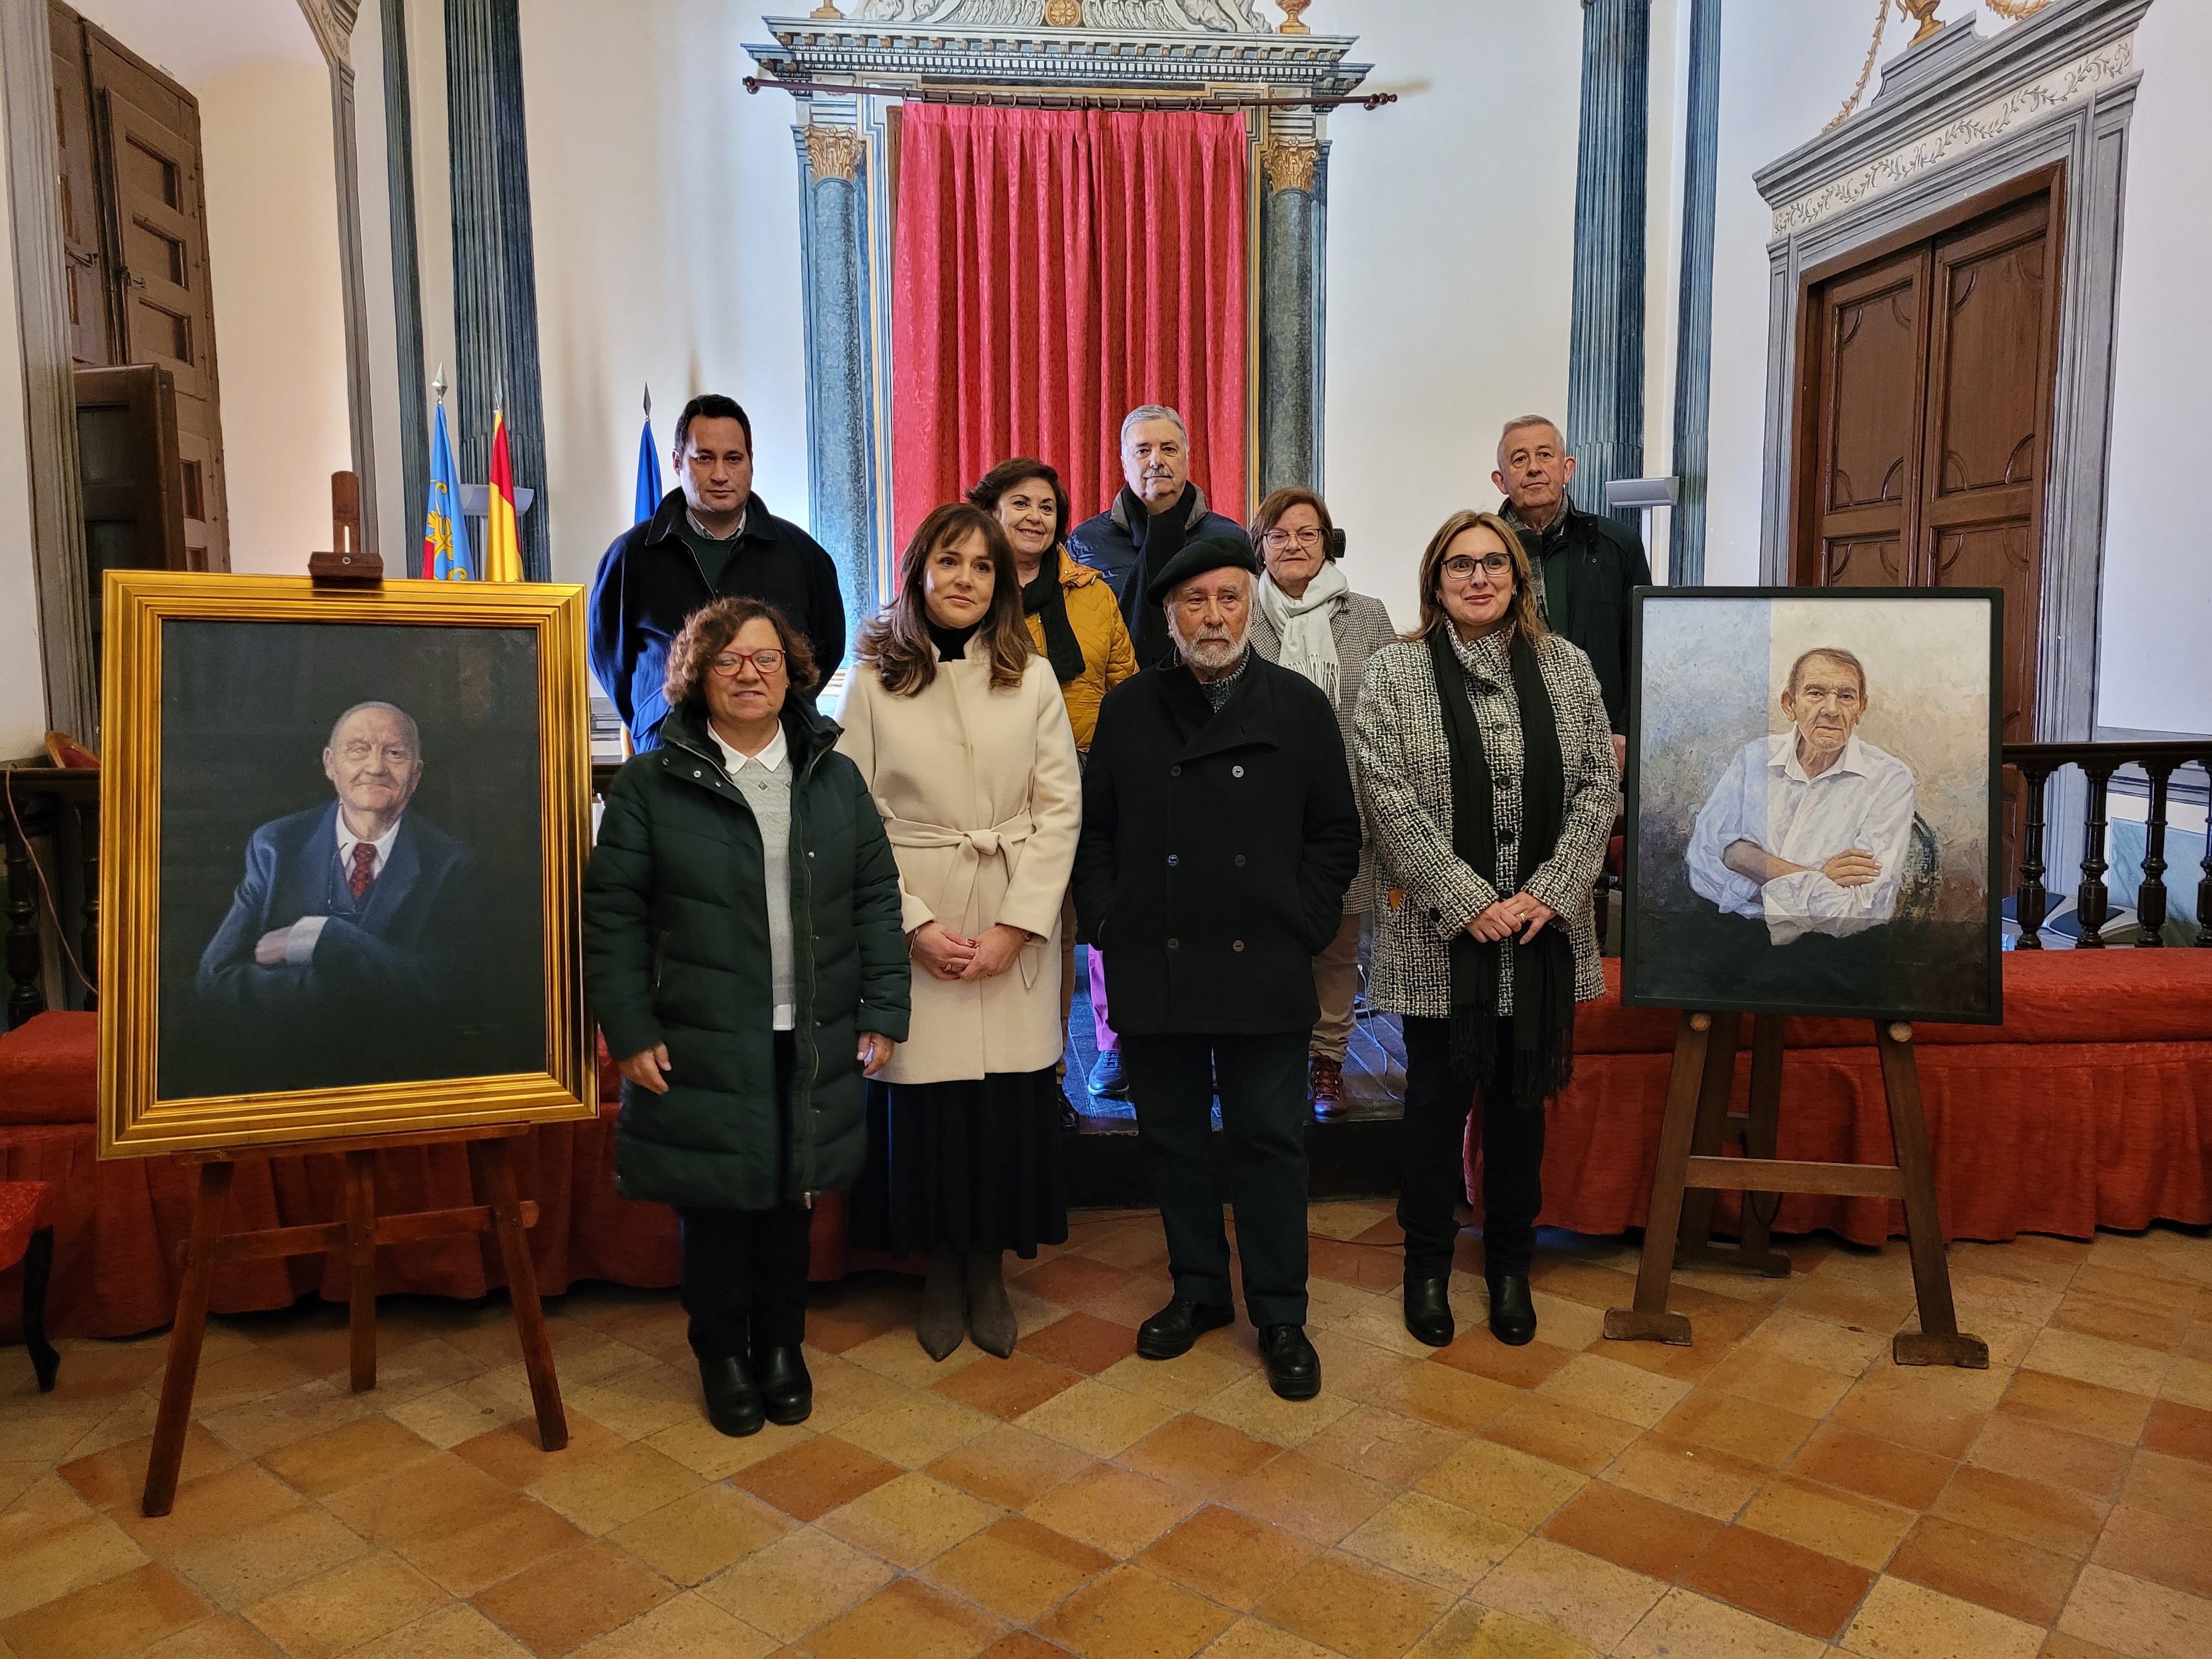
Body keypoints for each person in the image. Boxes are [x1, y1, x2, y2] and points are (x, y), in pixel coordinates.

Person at [584, 598, 909, 1438]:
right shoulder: (655, 783)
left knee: (787, 1203)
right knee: (716, 1208)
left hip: (809, 1028)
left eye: (765, 659)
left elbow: (876, 895)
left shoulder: (832, 776)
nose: (749, 674)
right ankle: (723, 1354)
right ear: (698, 674)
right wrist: (628, 1026)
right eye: (729, 660)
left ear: (792, 672)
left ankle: (781, 1350)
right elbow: (612, 912)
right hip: (697, 1031)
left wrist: (884, 1007)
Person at [1075, 535, 1361, 1400]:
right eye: (1195, 601)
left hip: (1263, 965)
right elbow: (1096, 836)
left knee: (1270, 1143)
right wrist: (1108, 924)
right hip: (1155, 964)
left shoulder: (1299, 707)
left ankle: (1280, 1313)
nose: (1214, 617)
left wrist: (1303, 923)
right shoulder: (1128, 709)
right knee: (1171, 1142)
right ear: (1168, 615)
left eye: (1229, 599)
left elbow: (1335, 834)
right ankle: (1197, 1290)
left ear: (1252, 605)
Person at [1356, 511, 1616, 1349]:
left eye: (1493, 564)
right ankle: (1426, 1267)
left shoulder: (1566, 668)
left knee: (1519, 1109)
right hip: (1441, 940)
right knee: (1433, 1105)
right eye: (1460, 565)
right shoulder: (1395, 674)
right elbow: (1386, 799)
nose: (1479, 578)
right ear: (1436, 581)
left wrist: (1552, 889)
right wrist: (1469, 899)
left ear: (1517, 578)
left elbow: (1594, 789)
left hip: (1542, 934)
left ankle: (1511, 1267)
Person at [838, 503, 1083, 1361]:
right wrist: (913, 926)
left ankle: (990, 1272)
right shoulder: (873, 680)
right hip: (920, 907)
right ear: (919, 570)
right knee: (931, 1107)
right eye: (951, 562)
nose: (966, 580)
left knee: (1003, 1108)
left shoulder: (1034, 676)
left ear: (1002, 582)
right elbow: (853, 815)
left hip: (1012, 909)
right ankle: (941, 1271)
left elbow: (1061, 811)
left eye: (983, 567)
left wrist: (1021, 926)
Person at [193, 701, 495, 1094]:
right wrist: (349, 988)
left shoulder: (453, 865)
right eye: (358, 750)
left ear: (416, 774)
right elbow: (214, 981)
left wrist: (326, 938)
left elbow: (450, 991)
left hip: (400, 1085)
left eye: (395, 753)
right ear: (330, 764)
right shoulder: (276, 846)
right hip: (280, 1079)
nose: (375, 767)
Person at [967, 458, 1139, 1121]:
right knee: (1020, 926)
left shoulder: (1092, 592)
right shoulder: (972, 588)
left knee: (1081, 923)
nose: (1035, 516)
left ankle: (1083, 1063)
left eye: (1046, 506)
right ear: (992, 512)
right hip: (1000, 780)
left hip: (1089, 772)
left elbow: (1123, 681)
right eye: (1021, 503)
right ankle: (1019, 1074)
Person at [1245, 487, 1397, 1121]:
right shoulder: (1239, 613)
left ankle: (1327, 1062)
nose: (1294, 545)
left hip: (1346, 809)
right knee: (1263, 941)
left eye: (1308, 533)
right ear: (1260, 547)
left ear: (1328, 542)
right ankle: (1264, 1060)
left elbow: (1392, 707)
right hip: (1256, 812)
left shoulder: (1367, 615)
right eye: (1279, 535)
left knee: (1336, 945)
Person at [589, 393, 846, 750]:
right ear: (678, 462)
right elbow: (610, 661)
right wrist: (652, 717)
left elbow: (825, 651)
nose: (721, 475)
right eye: (704, 459)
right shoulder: (631, 556)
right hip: (670, 757)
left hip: (776, 754)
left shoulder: (803, 556)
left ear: (751, 463)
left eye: (734, 459)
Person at [1686, 647, 1916, 943]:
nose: (1832, 710)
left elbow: (1860, 907)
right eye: (1816, 693)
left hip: (1838, 952)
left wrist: (1747, 860)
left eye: (1846, 696)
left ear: (1861, 708)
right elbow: (1704, 865)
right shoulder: (1754, 758)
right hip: (1733, 935)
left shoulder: (1890, 779)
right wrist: (1821, 878)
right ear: (1789, 704)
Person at [1492, 416, 1651, 768]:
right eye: (1520, 459)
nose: (1534, 468)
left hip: (1600, 741)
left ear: (1567, 469)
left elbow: (1644, 650)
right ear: (1501, 481)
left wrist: (1625, 728)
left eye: (1545, 455)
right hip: (1503, 741)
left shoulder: (1618, 547)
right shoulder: (1479, 556)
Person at [1068, 403, 1246, 670]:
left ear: (1187, 458)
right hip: (1116, 688)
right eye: (1143, 450)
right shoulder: (1086, 541)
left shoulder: (1229, 538)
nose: (1156, 461)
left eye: (1169, 449)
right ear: (1124, 463)